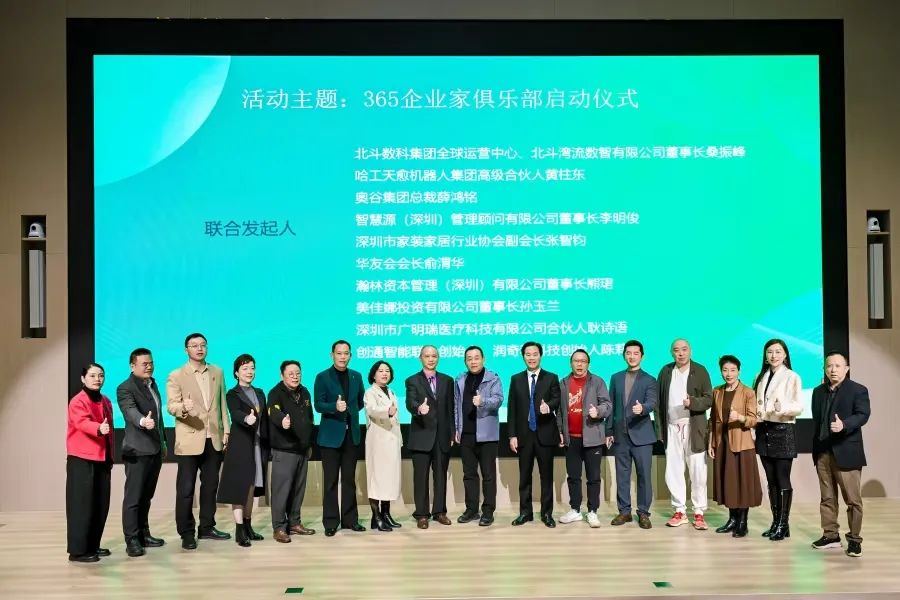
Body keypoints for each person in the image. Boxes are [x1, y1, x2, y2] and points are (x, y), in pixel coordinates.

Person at [166, 332, 231, 550]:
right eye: (194, 345)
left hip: (214, 438)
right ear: (186, 350)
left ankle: (207, 527)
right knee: (185, 490)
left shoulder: (217, 372)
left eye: (203, 345)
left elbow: (222, 404)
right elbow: (171, 406)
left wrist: (227, 431)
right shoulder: (177, 375)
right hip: (190, 439)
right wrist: (183, 407)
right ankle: (186, 533)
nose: (199, 348)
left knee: (210, 486)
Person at [810, 351, 871, 557]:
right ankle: (831, 535)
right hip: (823, 452)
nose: (833, 370)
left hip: (846, 451)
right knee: (827, 498)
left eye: (837, 366)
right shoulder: (818, 391)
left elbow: (863, 415)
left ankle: (854, 540)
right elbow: (817, 420)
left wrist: (844, 424)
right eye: (829, 366)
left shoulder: (858, 390)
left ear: (846, 368)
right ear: (824, 369)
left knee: (852, 500)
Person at [656, 339, 714, 530]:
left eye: (684, 349)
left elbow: (709, 399)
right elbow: (658, 404)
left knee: (698, 471)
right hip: (672, 428)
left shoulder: (700, 370)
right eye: (676, 350)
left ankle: (699, 513)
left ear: (690, 351)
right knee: (673, 470)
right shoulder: (665, 371)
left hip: (693, 428)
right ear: (671, 353)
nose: (680, 353)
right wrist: (660, 430)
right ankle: (679, 510)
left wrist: (693, 403)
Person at [116, 348, 166, 557]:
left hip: (155, 449)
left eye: (151, 363)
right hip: (137, 451)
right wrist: (143, 421)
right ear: (132, 366)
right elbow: (130, 411)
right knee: (134, 498)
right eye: (144, 364)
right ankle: (132, 540)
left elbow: (159, 418)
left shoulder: (152, 384)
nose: (149, 367)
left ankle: (144, 534)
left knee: (146, 496)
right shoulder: (125, 388)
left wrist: (163, 442)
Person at [314, 340, 366, 536]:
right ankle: (330, 522)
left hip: (351, 435)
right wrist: (334, 408)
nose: (343, 356)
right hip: (330, 437)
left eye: (346, 353)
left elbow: (360, 401)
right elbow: (318, 404)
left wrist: (349, 412)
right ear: (332, 355)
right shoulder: (322, 376)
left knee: (349, 480)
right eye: (339, 353)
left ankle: (350, 520)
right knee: (330, 481)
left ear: (350, 355)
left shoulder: (356, 376)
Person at [753, 338, 803, 542]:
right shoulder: (759, 376)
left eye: (778, 352)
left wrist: (783, 409)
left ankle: (783, 524)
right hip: (763, 429)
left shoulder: (792, 376)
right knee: (771, 479)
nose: (773, 355)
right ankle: (776, 522)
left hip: (782, 429)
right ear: (765, 355)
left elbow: (799, 406)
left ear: (785, 355)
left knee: (782, 478)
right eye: (770, 352)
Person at [507, 341, 561, 527]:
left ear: (540, 356)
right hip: (524, 435)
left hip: (545, 433)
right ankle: (525, 513)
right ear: (523, 357)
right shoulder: (516, 379)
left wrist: (549, 406)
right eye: (528, 354)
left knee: (546, 477)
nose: (531, 357)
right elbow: (512, 409)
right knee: (524, 477)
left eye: (535, 354)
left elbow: (557, 399)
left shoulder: (551, 377)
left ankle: (547, 514)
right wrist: (512, 435)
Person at [217, 354, 269, 547]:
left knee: (251, 488)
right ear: (236, 373)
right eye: (245, 368)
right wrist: (247, 419)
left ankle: (248, 526)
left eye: (252, 368)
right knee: (239, 487)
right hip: (240, 447)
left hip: (257, 446)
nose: (249, 372)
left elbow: (265, 419)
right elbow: (235, 413)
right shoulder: (233, 394)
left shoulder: (260, 392)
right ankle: (239, 530)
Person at [708, 355, 762, 538]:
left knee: (742, 483)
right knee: (728, 482)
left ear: (739, 371)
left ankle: (742, 522)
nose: (728, 374)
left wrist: (740, 417)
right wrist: (711, 442)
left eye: (732, 370)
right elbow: (712, 419)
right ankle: (732, 520)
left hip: (741, 444)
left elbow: (754, 420)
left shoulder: (748, 392)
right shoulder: (717, 391)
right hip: (722, 442)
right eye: (725, 370)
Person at [557, 349, 612, 528]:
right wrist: (560, 431)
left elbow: (607, 404)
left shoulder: (597, 381)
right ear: (571, 363)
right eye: (576, 361)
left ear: (588, 364)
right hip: (571, 439)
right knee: (573, 477)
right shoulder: (563, 383)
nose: (579, 364)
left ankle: (593, 511)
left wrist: (599, 411)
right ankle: (575, 510)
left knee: (593, 477)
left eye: (583, 361)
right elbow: (560, 411)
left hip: (592, 438)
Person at [66, 363, 114, 563]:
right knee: (81, 506)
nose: (97, 379)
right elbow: (81, 422)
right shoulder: (77, 401)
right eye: (92, 375)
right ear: (83, 378)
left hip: (102, 458)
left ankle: (92, 545)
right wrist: (98, 428)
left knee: (100, 505)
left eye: (100, 375)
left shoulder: (106, 400)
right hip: (82, 459)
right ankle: (77, 551)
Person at [608, 340, 658, 529]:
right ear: (624, 355)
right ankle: (624, 511)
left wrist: (642, 408)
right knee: (622, 475)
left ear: (642, 356)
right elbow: (611, 406)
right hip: (620, 435)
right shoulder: (616, 378)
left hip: (642, 436)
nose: (632, 356)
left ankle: (643, 513)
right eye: (628, 353)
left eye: (636, 353)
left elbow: (652, 402)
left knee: (644, 475)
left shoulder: (649, 379)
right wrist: (608, 430)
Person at [405, 345, 455, 529]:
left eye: (434, 356)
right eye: (427, 356)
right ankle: (422, 514)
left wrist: (452, 432)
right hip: (421, 436)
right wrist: (419, 408)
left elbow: (451, 409)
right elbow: (410, 402)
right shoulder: (412, 380)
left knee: (440, 477)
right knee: (421, 478)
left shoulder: (447, 380)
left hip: (442, 437)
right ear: (421, 358)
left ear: (438, 358)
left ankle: (440, 512)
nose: (431, 359)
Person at [454, 345, 503, 527]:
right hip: (466, 434)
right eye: (469, 358)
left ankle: (488, 511)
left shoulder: (493, 378)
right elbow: (455, 406)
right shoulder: (460, 379)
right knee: (469, 475)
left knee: (488, 475)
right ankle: (472, 509)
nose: (473, 361)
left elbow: (498, 400)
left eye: (476, 358)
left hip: (487, 435)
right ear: (465, 361)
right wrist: (457, 429)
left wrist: (483, 401)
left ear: (483, 359)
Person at [267, 360, 316, 543]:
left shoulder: (305, 392)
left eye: (298, 373)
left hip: (302, 449)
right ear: (282, 376)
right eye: (291, 374)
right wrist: (282, 421)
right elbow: (273, 412)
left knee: (298, 489)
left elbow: (310, 417)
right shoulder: (275, 393)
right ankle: (279, 527)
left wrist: (309, 443)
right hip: (284, 449)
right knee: (281, 490)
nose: (295, 377)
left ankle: (294, 523)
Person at [364, 360, 403, 532]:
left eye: (387, 370)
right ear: (374, 374)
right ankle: (376, 516)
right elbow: (371, 410)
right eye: (380, 371)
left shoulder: (391, 392)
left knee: (388, 479)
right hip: (378, 441)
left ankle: (386, 514)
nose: (384, 373)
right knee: (376, 480)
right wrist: (387, 411)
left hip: (392, 440)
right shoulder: (370, 392)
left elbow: (396, 419)